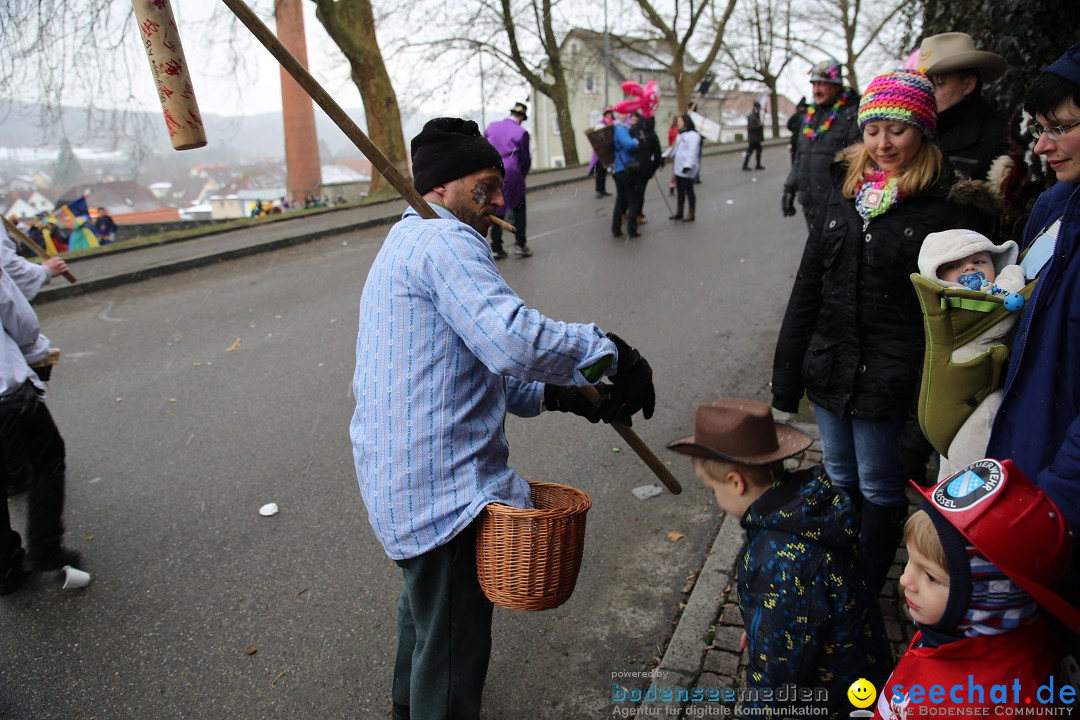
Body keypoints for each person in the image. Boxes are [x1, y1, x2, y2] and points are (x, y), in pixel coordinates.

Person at [351, 117, 657, 720]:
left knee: (426, 609)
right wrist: (610, 352)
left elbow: (477, 367)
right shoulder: (446, 241)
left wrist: (566, 393)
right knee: (456, 634)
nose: (498, 201)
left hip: (401, 478)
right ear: (439, 187)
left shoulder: (407, 238)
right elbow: (511, 340)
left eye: (500, 188)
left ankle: (405, 704)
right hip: (443, 487)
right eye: (484, 188)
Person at [771, 70, 1000, 596]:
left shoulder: (948, 205)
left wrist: (932, 401)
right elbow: (809, 287)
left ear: (922, 129)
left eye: (897, 129)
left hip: (892, 381)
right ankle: (835, 572)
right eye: (873, 129)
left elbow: (958, 317)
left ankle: (862, 589)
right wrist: (787, 377)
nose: (882, 143)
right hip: (831, 370)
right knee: (839, 477)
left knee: (879, 486)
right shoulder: (843, 190)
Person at [666, 399, 891, 717]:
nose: (715, 498)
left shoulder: (781, 558)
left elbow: (779, 679)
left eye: (712, 488)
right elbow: (800, 611)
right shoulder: (803, 512)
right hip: (857, 672)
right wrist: (766, 623)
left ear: (735, 482)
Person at [876, 459, 1077, 718]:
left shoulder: (999, 705)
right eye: (910, 562)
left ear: (989, 599)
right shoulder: (955, 630)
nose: (904, 580)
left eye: (931, 577)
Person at [986, 44, 1080, 535]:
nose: (1042, 147)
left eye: (1061, 128)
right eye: (1040, 130)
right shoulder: (1053, 205)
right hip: (1023, 452)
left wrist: (1059, 501)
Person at [0, 224, 83, 595]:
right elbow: (15, 312)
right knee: (47, 457)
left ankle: (5, 568)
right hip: (5, 390)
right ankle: (46, 549)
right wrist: (35, 353)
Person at [914, 230, 1025, 480]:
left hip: (951, 406)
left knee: (950, 475)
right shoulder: (955, 306)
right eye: (954, 265)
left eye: (979, 261)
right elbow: (1000, 323)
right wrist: (1013, 276)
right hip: (968, 410)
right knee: (972, 479)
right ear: (936, 276)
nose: (969, 269)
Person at [918, 32, 1010, 181]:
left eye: (938, 83)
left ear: (968, 84)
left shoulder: (1002, 133)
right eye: (923, 85)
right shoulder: (916, 133)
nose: (927, 93)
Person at [782, 59, 861, 230]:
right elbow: (800, 157)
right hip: (810, 205)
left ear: (837, 86)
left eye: (823, 84)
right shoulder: (809, 117)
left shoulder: (851, 115)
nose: (816, 89)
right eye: (814, 84)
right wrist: (789, 188)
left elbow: (857, 165)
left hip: (837, 208)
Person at [484, 101, 532, 259]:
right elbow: (525, 159)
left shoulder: (492, 126)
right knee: (519, 208)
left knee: (496, 209)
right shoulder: (521, 133)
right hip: (512, 171)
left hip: (492, 170)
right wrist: (522, 175)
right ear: (522, 117)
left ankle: (496, 247)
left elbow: (483, 147)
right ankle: (520, 244)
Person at [611, 112, 641, 238]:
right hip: (626, 168)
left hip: (618, 168)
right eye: (625, 115)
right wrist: (636, 141)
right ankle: (632, 229)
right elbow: (629, 144)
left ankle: (616, 228)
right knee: (632, 199)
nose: (627, 117)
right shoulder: (621, 129)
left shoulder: (613, 129)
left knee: (621, 199)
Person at [669, 114, 701, 222]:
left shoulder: (693, 135)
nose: (678, 123)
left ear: (685, 122)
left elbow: (692, 152)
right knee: (680, 191)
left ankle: (691, 213)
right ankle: (680, 211)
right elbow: (675, 150)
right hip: (678, 167)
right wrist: (666, 155)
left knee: (689, 191)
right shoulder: (681, 134)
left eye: (680, 121)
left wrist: (688, 165)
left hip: (687, 168)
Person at [590, 107, 615, 199]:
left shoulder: (612, 122)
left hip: (606, 152)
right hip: (599, 153)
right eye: (608, 114)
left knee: (604, 171)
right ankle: (598, 190)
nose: (609, 115)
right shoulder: (600, 124)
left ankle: (603, 189)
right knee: (600, 171)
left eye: (610, 114)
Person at [742, 101, 764, 171]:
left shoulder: (756, 115)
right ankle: (745, 165)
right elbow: (752, 127)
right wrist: (760, 125)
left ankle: (757, 164)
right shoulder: (752, 116)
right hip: (753, 138)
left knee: (758, 151)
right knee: (750, 152)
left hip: (756, 138)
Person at [787, 96, 808, 166]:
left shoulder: (797, 115)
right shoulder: (808, 116)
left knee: (795, 159)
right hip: (804, 140)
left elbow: (789, 124)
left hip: (795, 139)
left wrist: (794, 130)